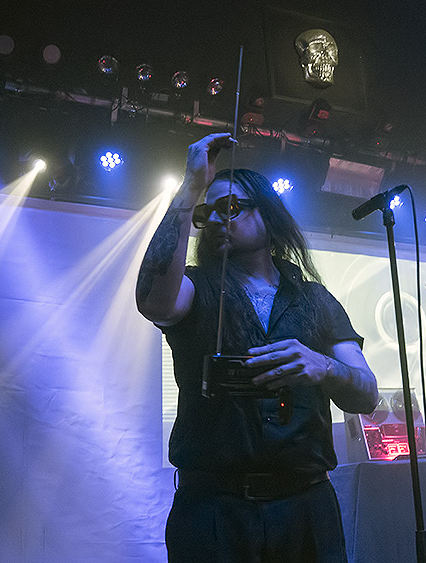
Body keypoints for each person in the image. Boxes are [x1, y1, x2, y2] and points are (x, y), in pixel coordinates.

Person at [136, 132, 379, 562]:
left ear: (268, 214)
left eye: (230, 208)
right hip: (214, 512)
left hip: (306, 509)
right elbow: (152, 299)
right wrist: (190, 188)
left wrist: (324, 367)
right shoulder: (195, 286)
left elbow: (366, 394)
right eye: (207, 213)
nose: (215, 220)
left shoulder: (315, 299)